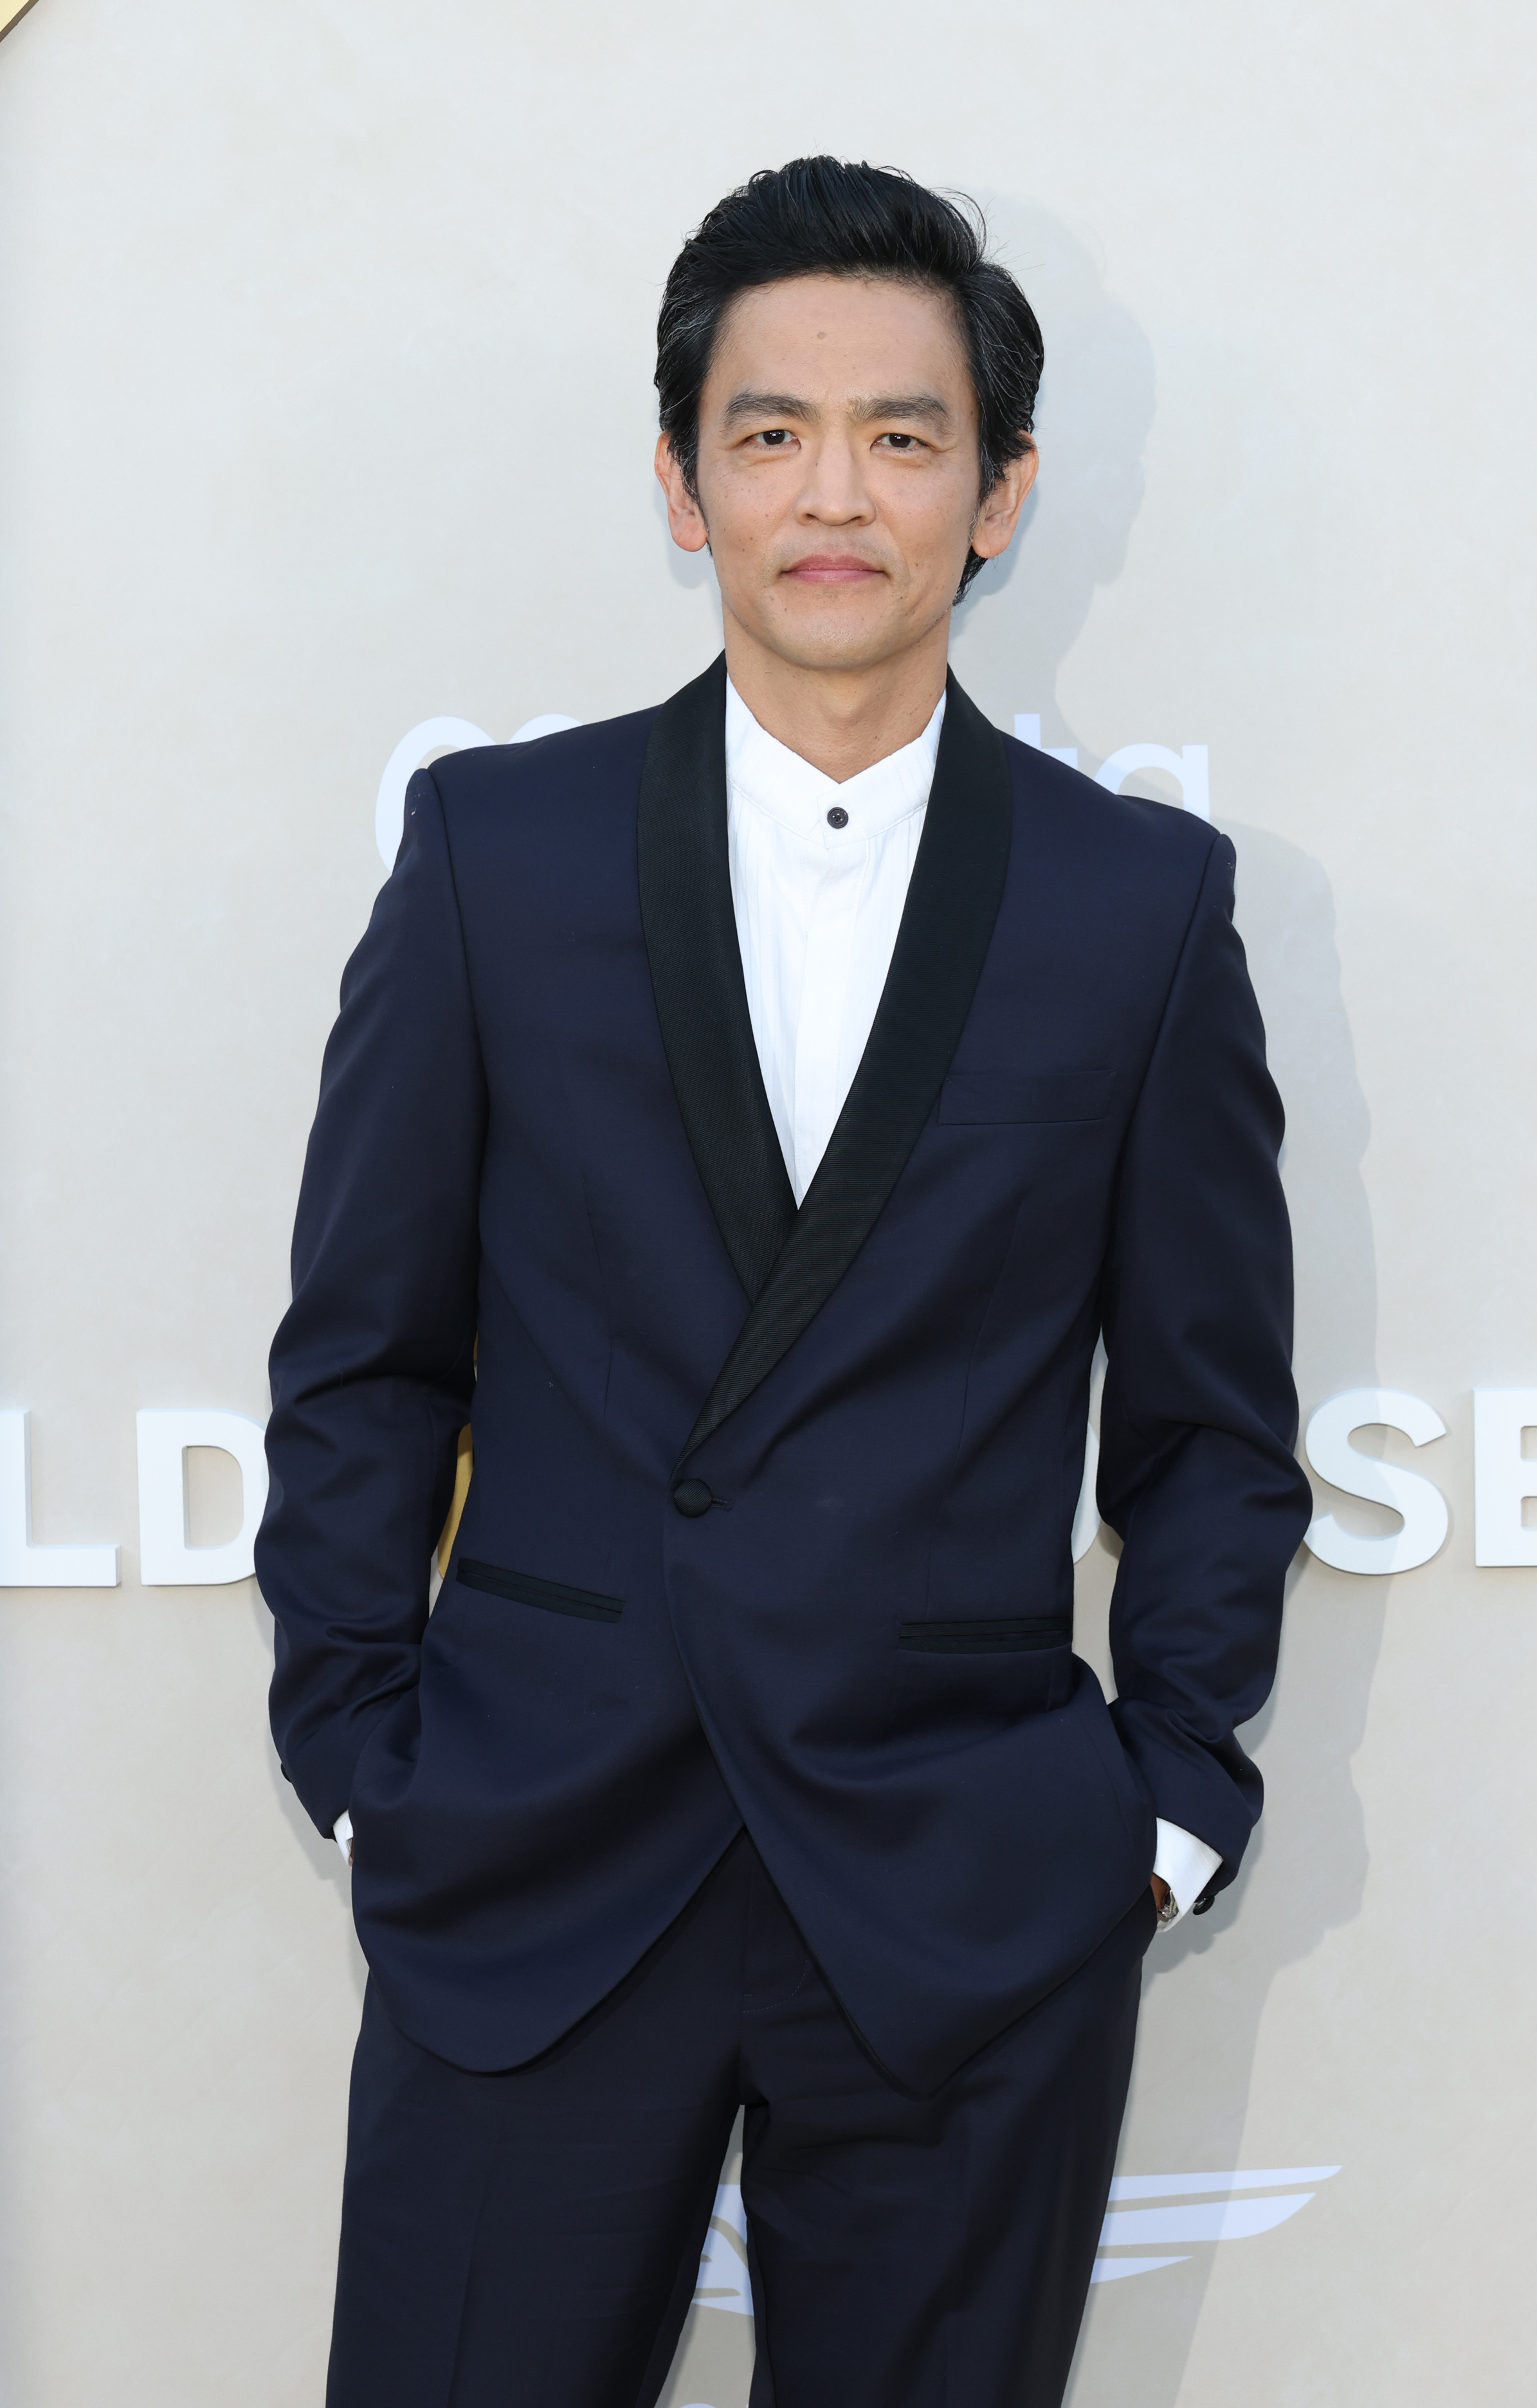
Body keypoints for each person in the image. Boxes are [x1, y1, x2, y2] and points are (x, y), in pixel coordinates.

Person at [258, 155, 1311, 2408]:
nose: (835, 491)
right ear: (680, 479)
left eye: (901, 436)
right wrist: (365, 1757)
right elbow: (364, 1355)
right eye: (770, 432)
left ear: (998, 493)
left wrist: (1157, 1806)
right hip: (534, 1867)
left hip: (965, 1887)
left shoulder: (1138, 908)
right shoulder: (491, 859)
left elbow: (1215, 1423)